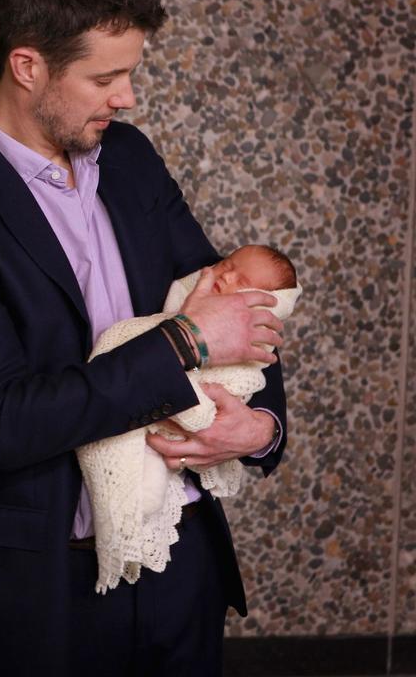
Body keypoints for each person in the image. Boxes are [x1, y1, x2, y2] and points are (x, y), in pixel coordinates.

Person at [0, 0, 288, 677]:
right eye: (106, 77)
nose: (128, 96)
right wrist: (182, 346)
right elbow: (1, 424)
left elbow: (233, 297)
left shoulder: (131, 157)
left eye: (130, 73)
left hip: (180, 571)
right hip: (40, 600)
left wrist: (259, 427)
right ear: (27, 65)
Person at [76, 244, 301, 594]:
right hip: (58, 535)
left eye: (239, 280)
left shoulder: (145, 190)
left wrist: (262, 427)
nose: (224, 274)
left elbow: (253, 345)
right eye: (227, 265)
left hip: (188, 536)